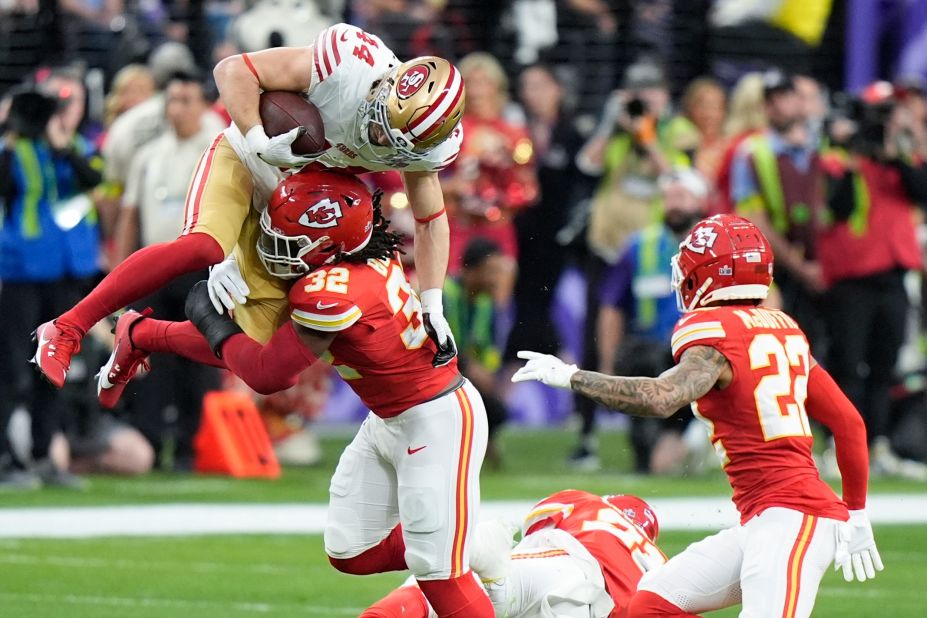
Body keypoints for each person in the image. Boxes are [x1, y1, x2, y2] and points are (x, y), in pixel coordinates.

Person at [101, 171, 493, 617]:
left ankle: (454, 546)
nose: (274, 247)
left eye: (291, 240)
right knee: (351, 549)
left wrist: (210, 321)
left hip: (437, 420)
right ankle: (464, 539)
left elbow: (267, 372)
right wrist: (153, 333)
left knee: (440, 575)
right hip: (389, 419)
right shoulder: (356, 259)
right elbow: (258, 351)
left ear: (333, 246)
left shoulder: (330, 293)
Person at [34, 22, 465, 393]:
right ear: (386, 85)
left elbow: (430, 221)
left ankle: (141, 335)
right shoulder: (348, 64)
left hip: (301, 194)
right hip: (250, 153)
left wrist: (431, 302)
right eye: (380, 120)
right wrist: (258, 138)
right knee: (204, 247)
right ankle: (67, 327)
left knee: (263, 354)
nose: (379, 137)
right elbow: (234, 69)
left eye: (395, 141)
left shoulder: (429, 149)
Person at [513, 214, 883, 617]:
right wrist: (857, 509)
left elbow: (661, 398)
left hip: (794, 516)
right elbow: (849, 423)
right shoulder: (782, 328)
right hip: (764, 518)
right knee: (650, 601)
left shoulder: (714, 332)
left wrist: (573, 377)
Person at [109, 71, 223, 468]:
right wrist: (118, 272)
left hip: (200, 269)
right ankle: (151, 444)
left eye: (185, 100)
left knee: (200, 356)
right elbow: (130, 214)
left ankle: (190, 447)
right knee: (147, 356)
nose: (177, 108)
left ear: (202, 105)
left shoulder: (217, 149)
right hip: (154, 268)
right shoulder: (149, 154)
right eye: (171, 100)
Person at [818, 82, 927, 479]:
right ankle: (839, 445)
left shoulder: (905, 158)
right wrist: (854, 155)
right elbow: (839, 206)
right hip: (852, 277)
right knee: (847, 366)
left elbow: (922, 193)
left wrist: (896, 155)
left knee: (883, 368)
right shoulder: (837, 156)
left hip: (894, 275)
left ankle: (877, 445)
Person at [0, 84, 101, 490]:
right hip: (21, 273)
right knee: (11, 371)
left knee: (52, 367)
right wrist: (11, 131)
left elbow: (93, 179)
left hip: (62, 274)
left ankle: (43, 456)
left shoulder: (73, 147)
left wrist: (62, 146)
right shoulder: (11, 152)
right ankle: (7, 459)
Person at [362, 488, 664, 618]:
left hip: (566, 568)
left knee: (443, 577)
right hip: (606, 608)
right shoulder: (660, 568)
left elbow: (535, 520)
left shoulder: (590, 506)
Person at [594, 167, 710, 474]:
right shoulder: (638, 246)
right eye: (668, 197)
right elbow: (611, 308)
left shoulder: (719, 247)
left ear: (701, 200)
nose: (673, 204)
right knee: (650, 459)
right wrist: (608, 364)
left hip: (701, 351)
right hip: (649, 352)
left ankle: (696, 438)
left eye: (681, 196)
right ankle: (667, 450)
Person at [731, 69, 827, 353]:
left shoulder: (825, 146)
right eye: (770, 99)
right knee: (783, 349)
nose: (777, 105)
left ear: (802, 101)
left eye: (785, 96)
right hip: (778, 272)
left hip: (832, 268)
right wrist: (802, 269)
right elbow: (753, 222)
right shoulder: (751, 151)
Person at [444, 238, 508, 468]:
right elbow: (438, 343)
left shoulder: (485, 302)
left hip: (465, 373)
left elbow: (489, 346)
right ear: (471, 270)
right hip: (438, 371)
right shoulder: (445, 294)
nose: (496, 279)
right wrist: (470, 368)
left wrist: (489, 372)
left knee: (497, 409)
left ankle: (475, 449)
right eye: (491, 271)